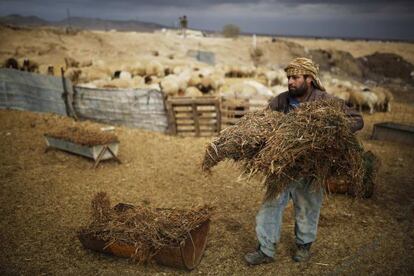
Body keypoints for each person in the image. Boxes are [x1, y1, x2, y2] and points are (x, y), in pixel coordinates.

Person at [244, 57, 364, 265]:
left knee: (308, 207)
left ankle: (303, 246)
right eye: (289, 77)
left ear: (309, 79)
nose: (290, 82)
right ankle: (265, 249)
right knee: (270, 207)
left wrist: (329, 131)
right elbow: (263, 122)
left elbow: (357, 120)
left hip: (310, 168)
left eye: (295, 77)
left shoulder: (325, 100)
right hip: (282, 168)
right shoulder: (281, 100)